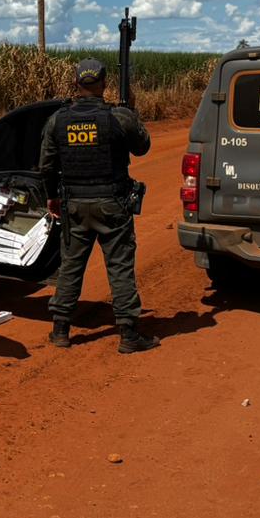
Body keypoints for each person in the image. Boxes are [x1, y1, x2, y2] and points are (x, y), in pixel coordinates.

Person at [39, 59, 161, 353]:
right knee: (119, 266)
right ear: (104, 84)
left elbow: (46, 165)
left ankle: (60, 330)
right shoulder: (118, 117)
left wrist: (52, 196)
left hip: (74, 205)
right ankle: (129, 335)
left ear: (76, 84)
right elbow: (142, 146)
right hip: (112, 205)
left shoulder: (58, 119)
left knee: (70, 265)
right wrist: (131, 111)